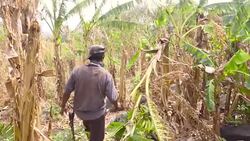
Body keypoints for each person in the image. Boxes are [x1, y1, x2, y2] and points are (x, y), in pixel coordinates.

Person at [60, 45, 120, 141]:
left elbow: (67, 91)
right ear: (102, 58)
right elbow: (113, 98)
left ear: (90, 57)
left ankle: (89, 129)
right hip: (96, 115)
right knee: (98, 137)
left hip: (80, 113)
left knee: (90, 128)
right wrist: (116, 107)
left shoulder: (77, 71)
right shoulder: (105, 75)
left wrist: (62, 106)